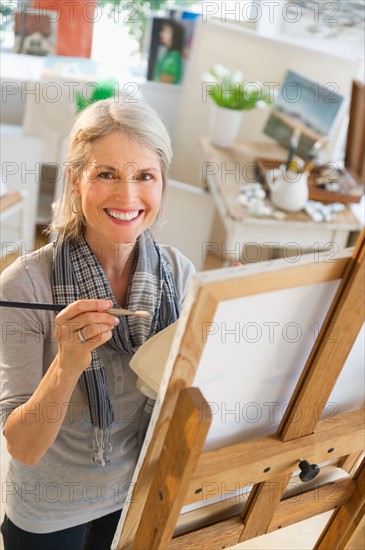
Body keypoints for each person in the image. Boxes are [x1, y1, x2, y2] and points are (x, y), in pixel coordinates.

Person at [0, 98, 194, 549]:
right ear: (74, 179)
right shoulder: (24, 286)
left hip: (139, 494)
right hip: (48, 511)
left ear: (162, 183)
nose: (127, 196)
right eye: (106, 174)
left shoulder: (180, 274)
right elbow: (23, 447)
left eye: (144, 176)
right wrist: (68, 363)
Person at [153, 20, 184, 85]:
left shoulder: (173, 58)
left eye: (165, 31)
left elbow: (164, 86)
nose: (161, 34)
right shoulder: (169, 56)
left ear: (174, 34)